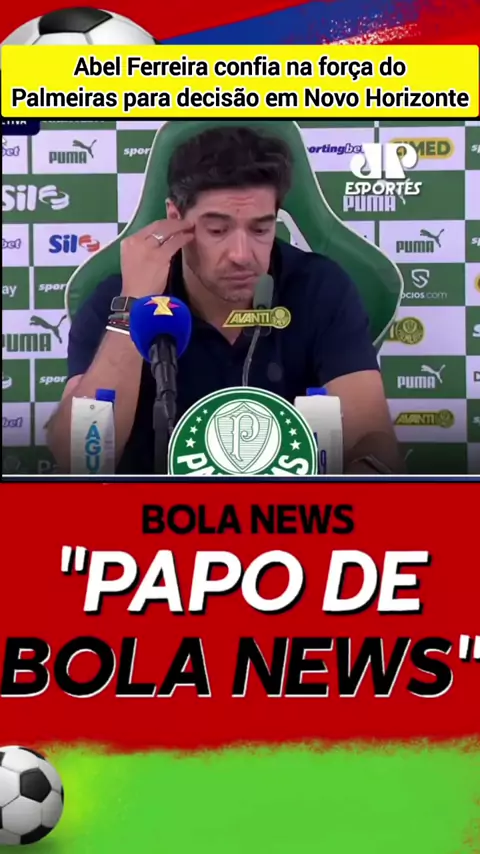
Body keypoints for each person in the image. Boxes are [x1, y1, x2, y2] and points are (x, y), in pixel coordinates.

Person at [47, 125, 405, 475]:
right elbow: (75, 458)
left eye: (261, 229)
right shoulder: (118, 298)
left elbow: (371, 436)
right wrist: (132, 306)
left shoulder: (320, 288)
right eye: (217, 230)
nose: (241, 255)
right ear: (175, 219)